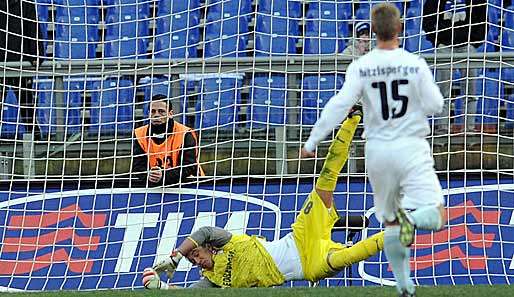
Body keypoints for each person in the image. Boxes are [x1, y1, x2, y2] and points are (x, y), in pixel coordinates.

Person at [142, 112, 385, 289]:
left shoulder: (226, 242)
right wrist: (160, 287)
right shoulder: (213, 282)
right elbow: (190, 294)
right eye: (193, 261)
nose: (197, 261)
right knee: (354, 254)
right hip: (308, 266)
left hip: (300, 236)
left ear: (210, 247)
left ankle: (352, 119)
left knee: (326, 178)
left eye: (196, 254)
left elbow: (204, 230)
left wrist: (175, 257)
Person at [301, 4, 446, 297]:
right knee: (436, 215)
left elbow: (338, 105)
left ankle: (404, 286)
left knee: (391, 221)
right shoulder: (414, 63)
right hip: (410, 146)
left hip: (378, 150)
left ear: (374, 32)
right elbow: (436, 106)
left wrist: (312, 141)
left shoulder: (361, 66)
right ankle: (414, 219)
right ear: (400, 29)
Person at [423, 0, 487, 134]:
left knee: (471, 92)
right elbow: (427, 20)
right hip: (444, 47)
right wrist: (438, 41)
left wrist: (474, 42)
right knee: (443, 91)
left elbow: (483, 20)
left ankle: (468, 129)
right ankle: (443, 128)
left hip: (468, 46)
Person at [131, 94, 204, 186]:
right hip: (154, 186)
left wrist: (163, 175)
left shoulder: (185, 133)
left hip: (189, 185)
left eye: (161, 111)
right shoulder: (139, 134)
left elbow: (189, 167)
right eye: (153, 111)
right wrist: (148, 175)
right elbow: (138, 167)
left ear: (170, 114)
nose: (156, 115)